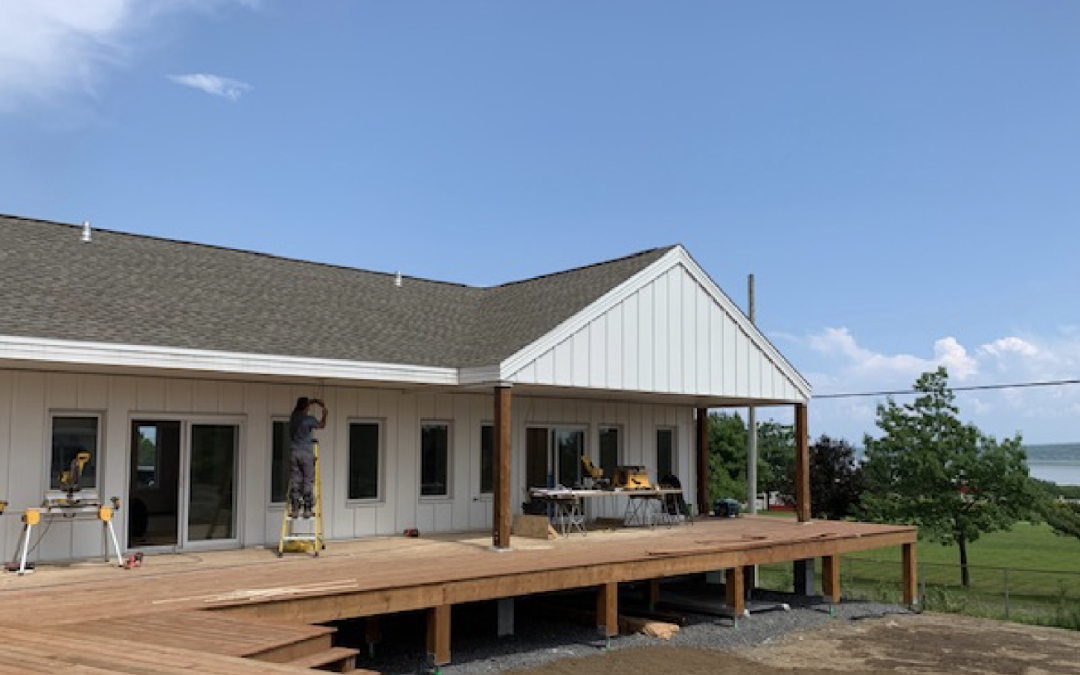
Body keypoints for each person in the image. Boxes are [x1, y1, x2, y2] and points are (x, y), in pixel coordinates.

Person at [289, 397, 327, 518]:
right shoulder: (308, 419)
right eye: (309, 406)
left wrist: (314, 401)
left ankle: (295, 508)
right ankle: (307, 509)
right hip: (306, 453)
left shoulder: (294, 417)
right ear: (307, 407)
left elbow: (300, 406)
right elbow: (322, 425)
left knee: (296, 479)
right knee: (307, 480)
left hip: (294, 452)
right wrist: (325, 414)